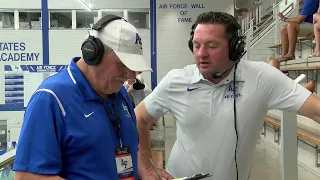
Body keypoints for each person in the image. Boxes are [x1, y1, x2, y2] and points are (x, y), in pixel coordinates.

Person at [135, 11, 320, 180]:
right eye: (197, 45)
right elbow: (139, 118)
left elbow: (316, 111)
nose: (201, 54)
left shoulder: (261, 77)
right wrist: (144, 165)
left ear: (234, 48)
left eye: (211, 46)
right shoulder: (176, 81)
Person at [12, 15, 152, 180]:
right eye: (122, 65)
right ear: (93, 54)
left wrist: (145, 171)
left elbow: (128, 149)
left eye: (132, 67)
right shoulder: (51, 99)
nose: (129, 74)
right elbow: (26, 176)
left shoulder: (120, 94)